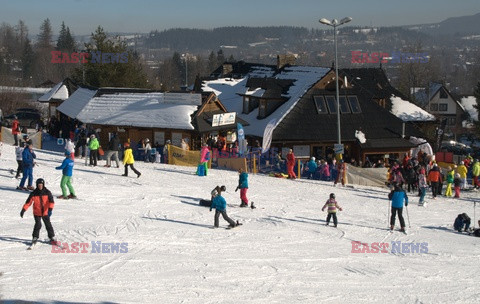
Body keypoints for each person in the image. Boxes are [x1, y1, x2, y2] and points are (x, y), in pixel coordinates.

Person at [20, 178, 57, 246]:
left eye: (41, 185)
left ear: (43, 185)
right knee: (38, 224)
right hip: (37, 212)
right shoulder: (34, 193)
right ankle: (35, 237)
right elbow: (28, 202)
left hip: (45, 212)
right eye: (39, 185)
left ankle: (52, 237)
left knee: (48, 224)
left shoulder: (47, 192)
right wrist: (23, 210)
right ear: (37, 185)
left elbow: (51, 202)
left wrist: (50, 210)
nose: (40, 186)